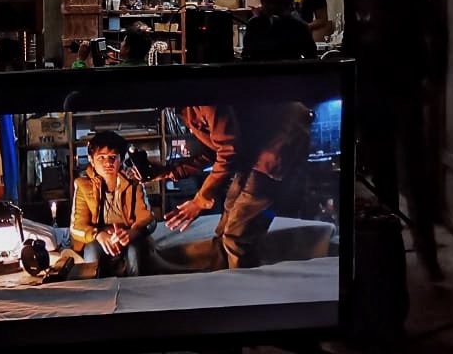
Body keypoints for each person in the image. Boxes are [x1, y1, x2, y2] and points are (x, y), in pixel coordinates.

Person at [333, 0, 446, 280]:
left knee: (414, 175)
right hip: (369, 93)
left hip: (402, 90)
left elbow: (437, 29)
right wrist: (346, 77)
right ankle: (390, 254)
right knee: (382, 178)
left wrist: (434, 78)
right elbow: (353, 38)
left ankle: (427, 253)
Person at [158, 102, 312, 269]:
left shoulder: (203, 102)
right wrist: (168, 173)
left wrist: (201, 199)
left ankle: (241, 283)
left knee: (236, 237)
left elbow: (228, 150)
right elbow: (215, 149)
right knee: (224, 230)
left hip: (275, 148)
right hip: (253, 153)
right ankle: (223, 275)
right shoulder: (184, 110)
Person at [70, 131, 155, 277]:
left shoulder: (133, 183)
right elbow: (77, 227)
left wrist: (131, 233)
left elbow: (148, 219)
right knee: (91, 252)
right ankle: (93, 289)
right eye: (101, 157)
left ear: (121, 160)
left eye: (113, 157)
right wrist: (99, 235)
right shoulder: (83, 185)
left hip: (127, 236)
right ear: (91, 159)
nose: (108, 163)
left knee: (135, 251)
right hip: (99, 239)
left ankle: (137, 288)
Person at [242, 0, 319, 62]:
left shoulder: (299, 27)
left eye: (278, 3)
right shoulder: (255, 24)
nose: (272, 7)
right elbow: (247, 54)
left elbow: (311, 57)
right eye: (269, 2)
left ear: (289, 4)